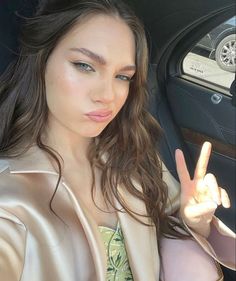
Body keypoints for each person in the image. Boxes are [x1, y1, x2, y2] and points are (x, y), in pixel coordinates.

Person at [0, 1, 235, 280]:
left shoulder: (133, 154)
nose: (108, 95)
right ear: (41, 60)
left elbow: (171, 219)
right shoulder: (10, 199)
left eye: (123, 76)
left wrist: (195, 220)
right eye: (84, 66)